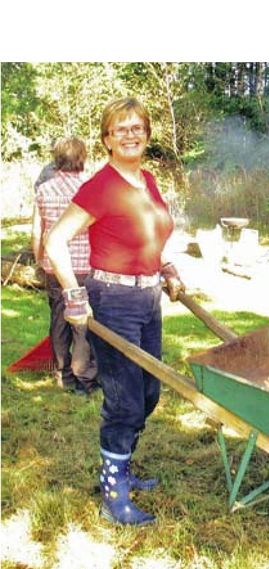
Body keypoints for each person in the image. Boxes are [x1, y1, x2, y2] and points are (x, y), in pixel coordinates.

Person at [44, 98, 184, 525]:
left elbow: (148, 235)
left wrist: (167, 266)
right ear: (106, 139)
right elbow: (54, 242)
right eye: (120, 128)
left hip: (148, 299)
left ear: (147, 133)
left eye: (137, 126)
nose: (130, 134)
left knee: (147, 393)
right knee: (124, 401)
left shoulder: (148, 180)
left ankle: (122, 465)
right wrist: (73, 295)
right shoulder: (100, 186)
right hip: (113, 300)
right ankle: (113, 494)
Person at [31, 137, 98, 395]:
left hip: (54, 268)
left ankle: (62, 374)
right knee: (82, 320)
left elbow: (37, 232)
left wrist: (40, 259)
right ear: (82, 158)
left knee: (59, 319)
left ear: (56, 158)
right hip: (85, 267)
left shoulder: (43, 190)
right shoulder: (90, 188)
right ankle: (84, 376)